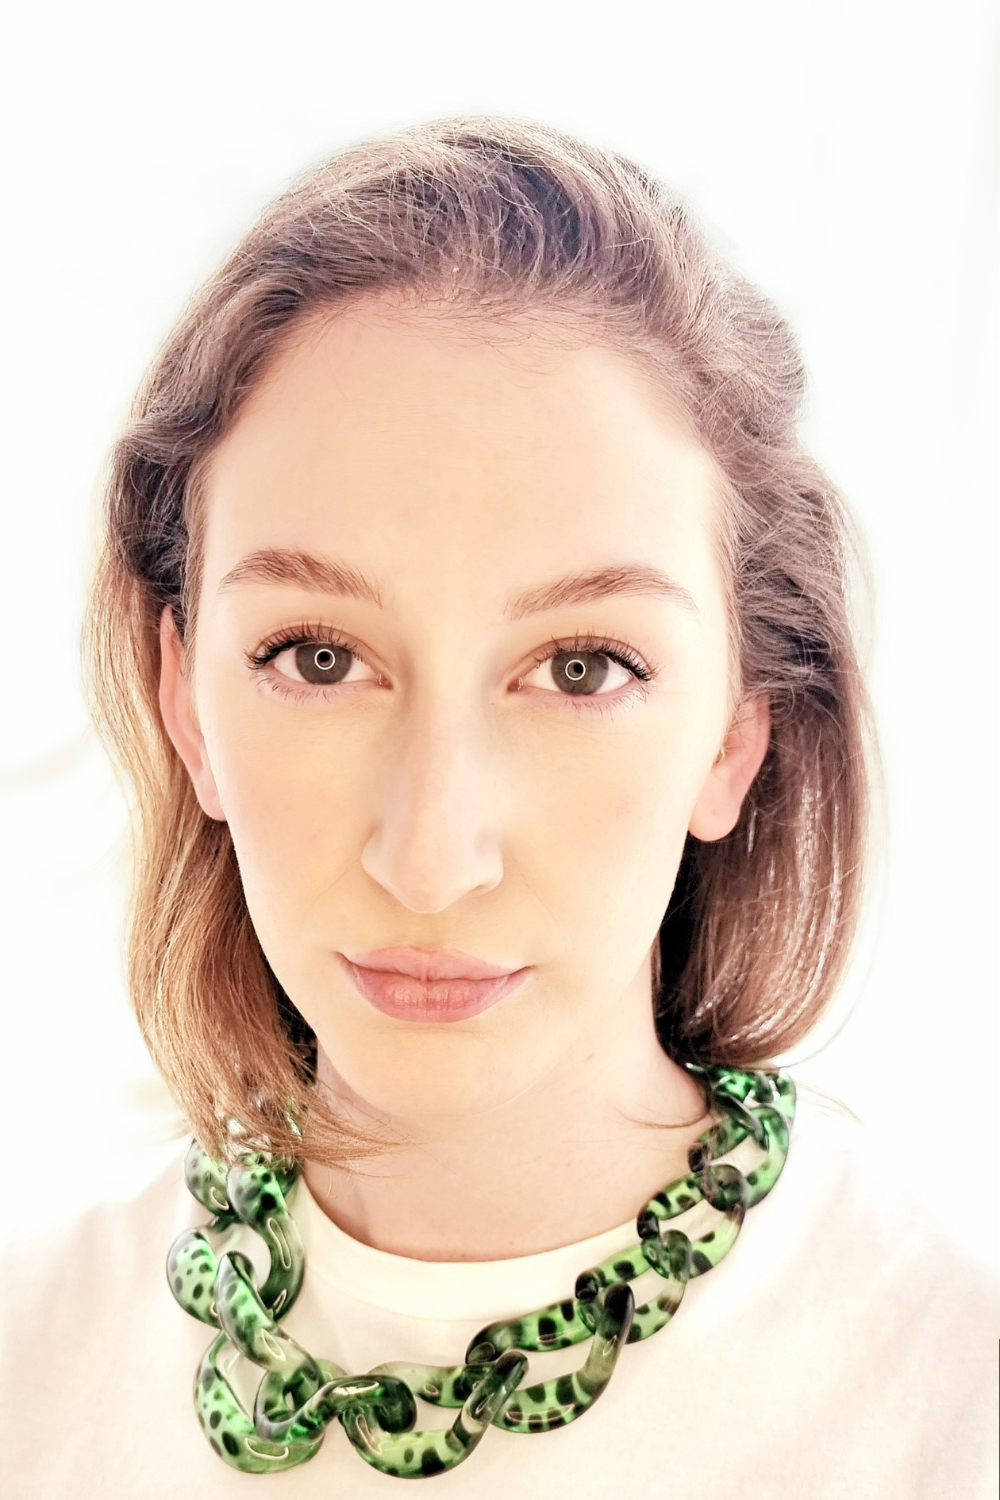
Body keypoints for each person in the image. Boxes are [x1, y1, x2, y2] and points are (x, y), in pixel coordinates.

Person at [0, 117, 994, 1498]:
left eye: (582, 669)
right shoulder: (26, 1361)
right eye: (318, 658)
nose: (430, 857)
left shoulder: (956, 1390)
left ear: (737, 732)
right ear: (184, 701)